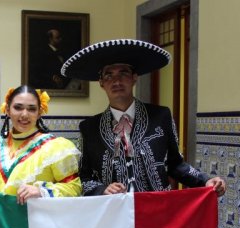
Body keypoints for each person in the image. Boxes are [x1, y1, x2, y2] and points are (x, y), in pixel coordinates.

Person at [60, 39, 226, 196]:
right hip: (112, 214)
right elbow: (84, 178)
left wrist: (206, 180)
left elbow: (176, 165)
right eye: (108, 75)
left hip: (157, 210)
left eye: (123, 73)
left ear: (134, 78)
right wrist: (102, 189)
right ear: (101, 83)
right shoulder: (89, 128)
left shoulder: (161, 116)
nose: (116, 80)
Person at [0, 85, 81, 204]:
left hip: (35, 220)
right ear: (7, 110)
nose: (25, 114)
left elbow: (74, 188)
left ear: (39, 113)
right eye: (18, 107)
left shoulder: (54, 147)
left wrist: (41, 191)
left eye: (31, 109)